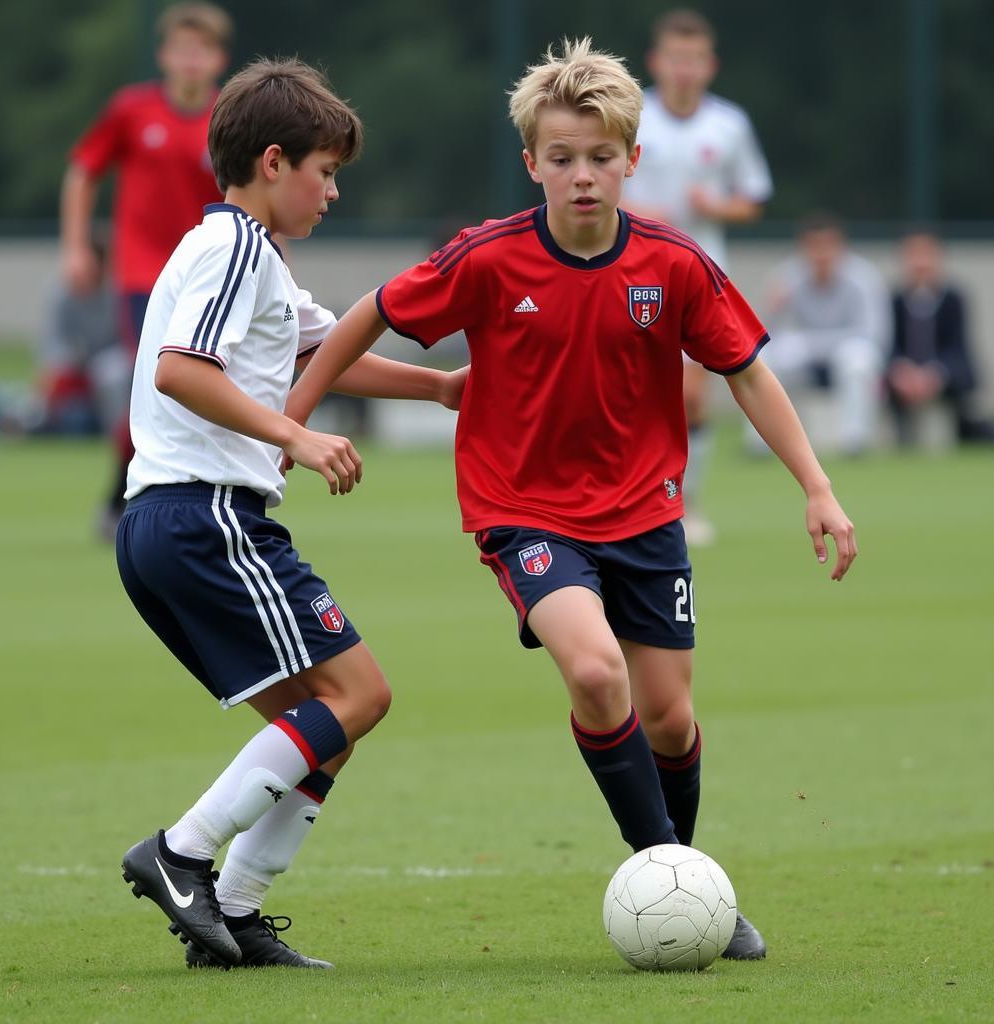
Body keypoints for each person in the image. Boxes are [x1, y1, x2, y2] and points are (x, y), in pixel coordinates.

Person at [286, 38, 857, 962]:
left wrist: (818, 487)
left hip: (647, 515)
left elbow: (747, 371)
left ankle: (678, 873)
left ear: (633, 159)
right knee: (596, 675)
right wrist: (295, 426)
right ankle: (674, 873)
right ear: (532, 165)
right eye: (561, 159)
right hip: (525, 511)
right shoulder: (488, 258)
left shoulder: (672, 265)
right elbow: (369, 316)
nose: (582, 177)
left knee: (669, 717)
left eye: (600, 158)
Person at [116, 58, 465, 970]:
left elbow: (325, 351)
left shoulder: (248, 257)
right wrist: (298, 439)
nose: (334, 191)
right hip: (208, 517)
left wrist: (436, 388)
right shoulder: (233, 248)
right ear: (274, 162)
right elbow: (182, 370)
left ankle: (230, 915)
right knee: (362, 695)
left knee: (325, 721)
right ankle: (182, 852)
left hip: (168, 526)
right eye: (326, 170)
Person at [61, 3, 233, 535]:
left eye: (200, 49)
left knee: (205, 387)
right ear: (163, 55)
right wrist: (76, 246)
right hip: (141, 276)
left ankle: (171, 500)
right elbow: (83, 172)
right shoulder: (131, 111)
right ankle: (131, 501)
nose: (189, 60)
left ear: (218, 59)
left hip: (206, 275)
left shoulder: (227, 117)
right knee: (156, 384)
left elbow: (250, 199)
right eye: (180, 48)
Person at [622, 8, 772, 544]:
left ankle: (684, 506)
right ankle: (621, 501)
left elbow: (753, 200)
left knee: (690, 398)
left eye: (695, 60)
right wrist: (640, 212)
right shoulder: (632, 114)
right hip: (629, 268)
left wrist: (715, 206)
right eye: (675, 58)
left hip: (700, 273)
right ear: (656, 62)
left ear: (710, 66)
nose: (684, 69)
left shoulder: (728, 124)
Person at [760, 212, 889, 455]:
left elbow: (874, 336)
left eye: (827, 246)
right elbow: (762, 336)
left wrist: (814, 342)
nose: (821, 255)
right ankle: (764, 442)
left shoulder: (864, 278)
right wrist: (773, 309)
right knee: (767, 360)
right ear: (803, 248)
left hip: (847, 348)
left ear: (840, 246)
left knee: (858, 360)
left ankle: (855, 440)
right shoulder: (787, 277)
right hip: (806, 349)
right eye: (813, 247)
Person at [887, 230, 994, 447]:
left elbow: (958, 347)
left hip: (944, 376)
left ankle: (966, 432)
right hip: (904, 380)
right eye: (914, 256)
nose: (920, 263)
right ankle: (903, 439)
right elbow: (889, 345)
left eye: (926, 255)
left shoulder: (954, 299)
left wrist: (935, 373)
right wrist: (902, 370)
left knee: (962, 378)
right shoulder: (893, 299)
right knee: (886, 381)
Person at [35, 236, 128, 438]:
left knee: (112, 370)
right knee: (72, 420)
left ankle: (119, 437)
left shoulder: (116, 293)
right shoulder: (59, 294)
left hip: (111, 379)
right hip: (75, 377)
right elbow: (52, 348)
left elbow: (125, 344)